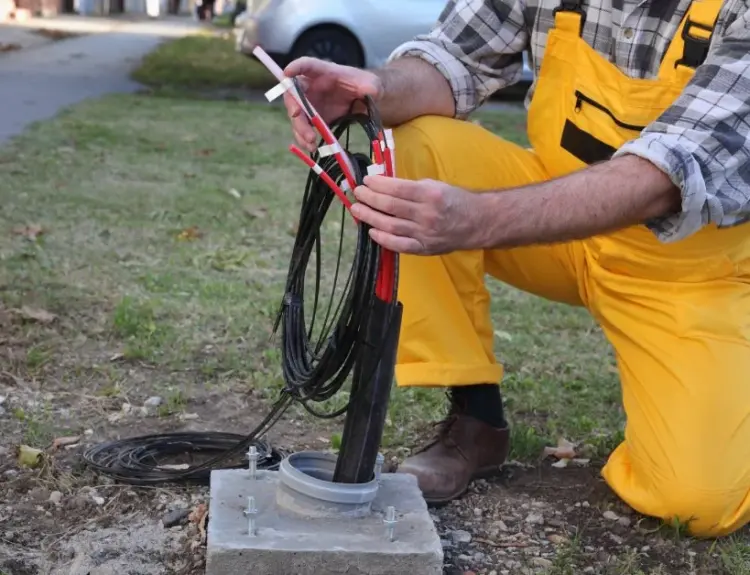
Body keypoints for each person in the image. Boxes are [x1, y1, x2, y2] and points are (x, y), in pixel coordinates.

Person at [281, 0, 750, 538]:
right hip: (556, 222)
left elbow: (671, 172)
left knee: (696, 500)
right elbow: (454, 55)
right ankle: (476, 419)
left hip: (687, 266)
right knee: (406, 149)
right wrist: (374, 88)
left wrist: (478, 218)